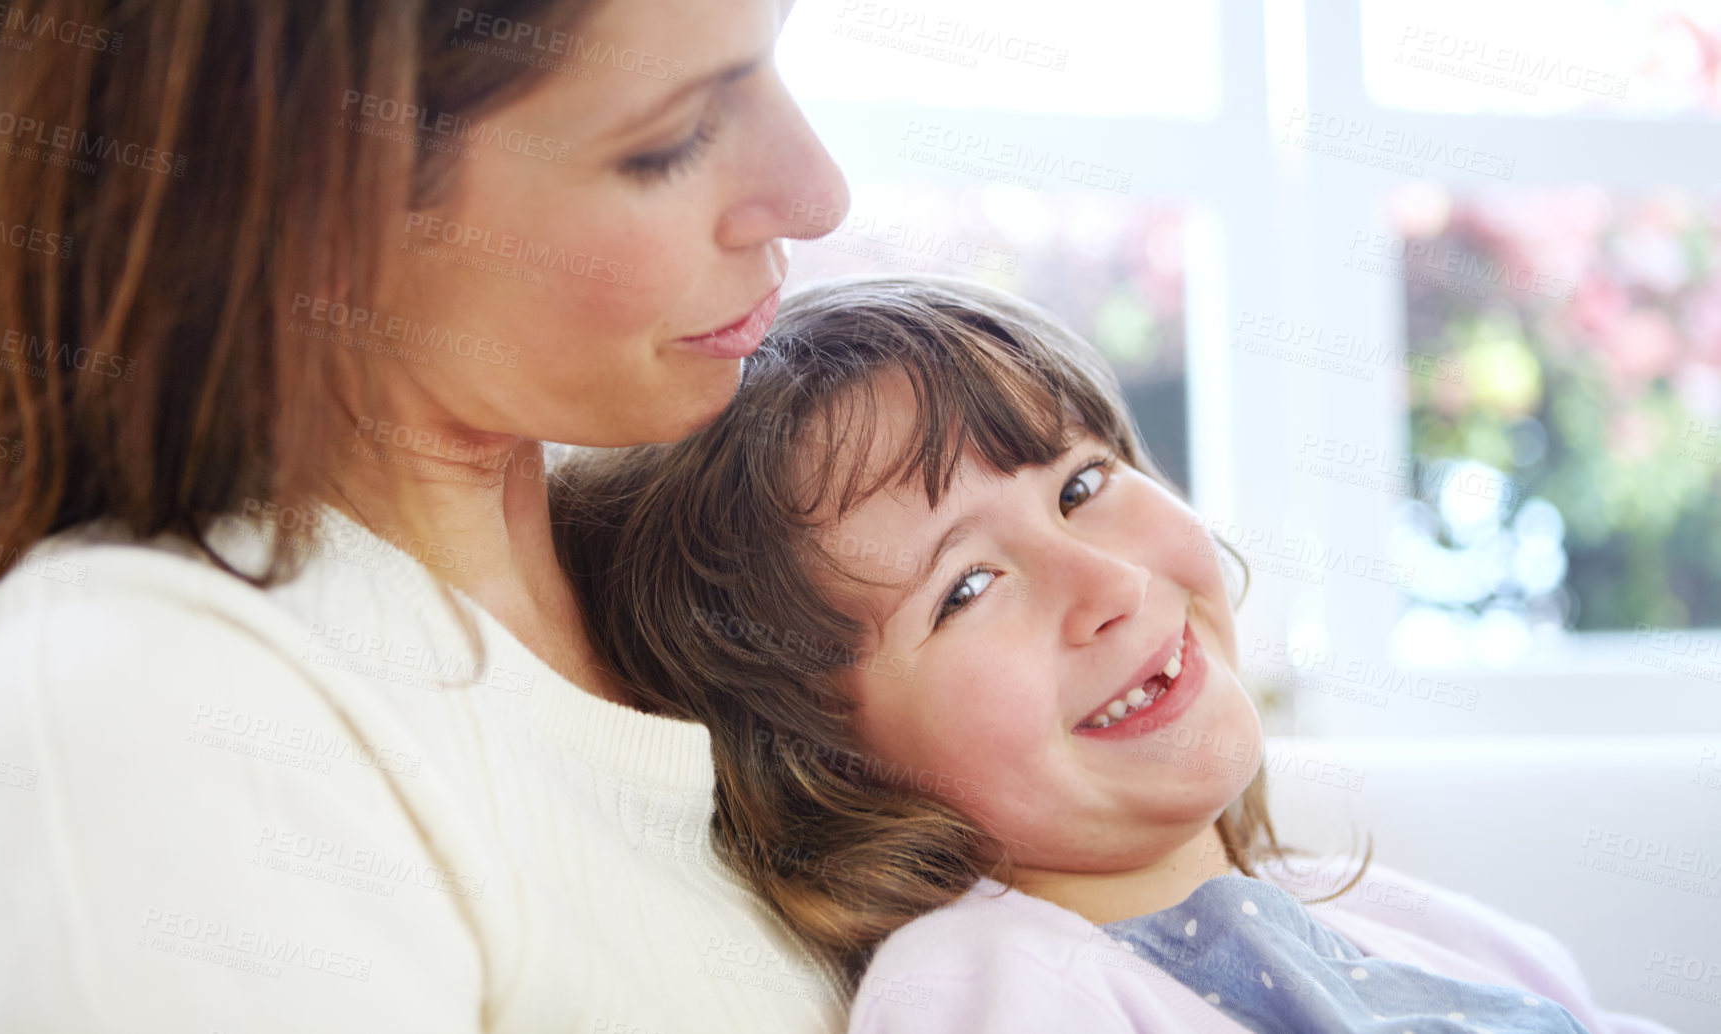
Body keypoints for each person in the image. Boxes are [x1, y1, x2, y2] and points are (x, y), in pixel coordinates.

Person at [0, 0, 850, 1031]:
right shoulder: (155, 719)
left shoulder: (690, 565)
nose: (816, 194)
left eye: (773, 52)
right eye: (669, 140)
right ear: (294, 187)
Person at [552, 275, 1679, 1034]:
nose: (1109, 584)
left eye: (1081, 484)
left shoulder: (1409, 927)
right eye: (968, 586)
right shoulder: (996, 982)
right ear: (829, 764)